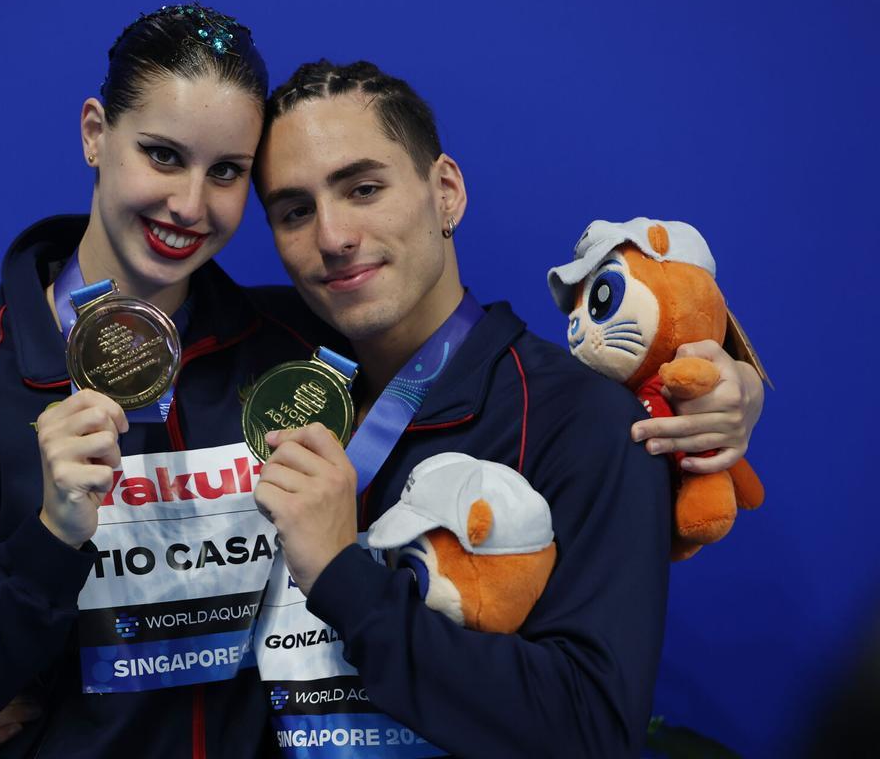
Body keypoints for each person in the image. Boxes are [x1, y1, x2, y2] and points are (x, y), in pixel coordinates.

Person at [0, 4, 337, 759]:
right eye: (163, 155)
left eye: (228, 173)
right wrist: (49, 541)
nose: (189, 205)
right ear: (93, 134)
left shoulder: (292, 357)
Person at [249, 59, 763, 757]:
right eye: (294, 211)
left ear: (446, 192)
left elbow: (591, 729)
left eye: (364, 188)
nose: (332, 236)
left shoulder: (586, 423)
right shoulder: (263, 386)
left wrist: (344, 577)